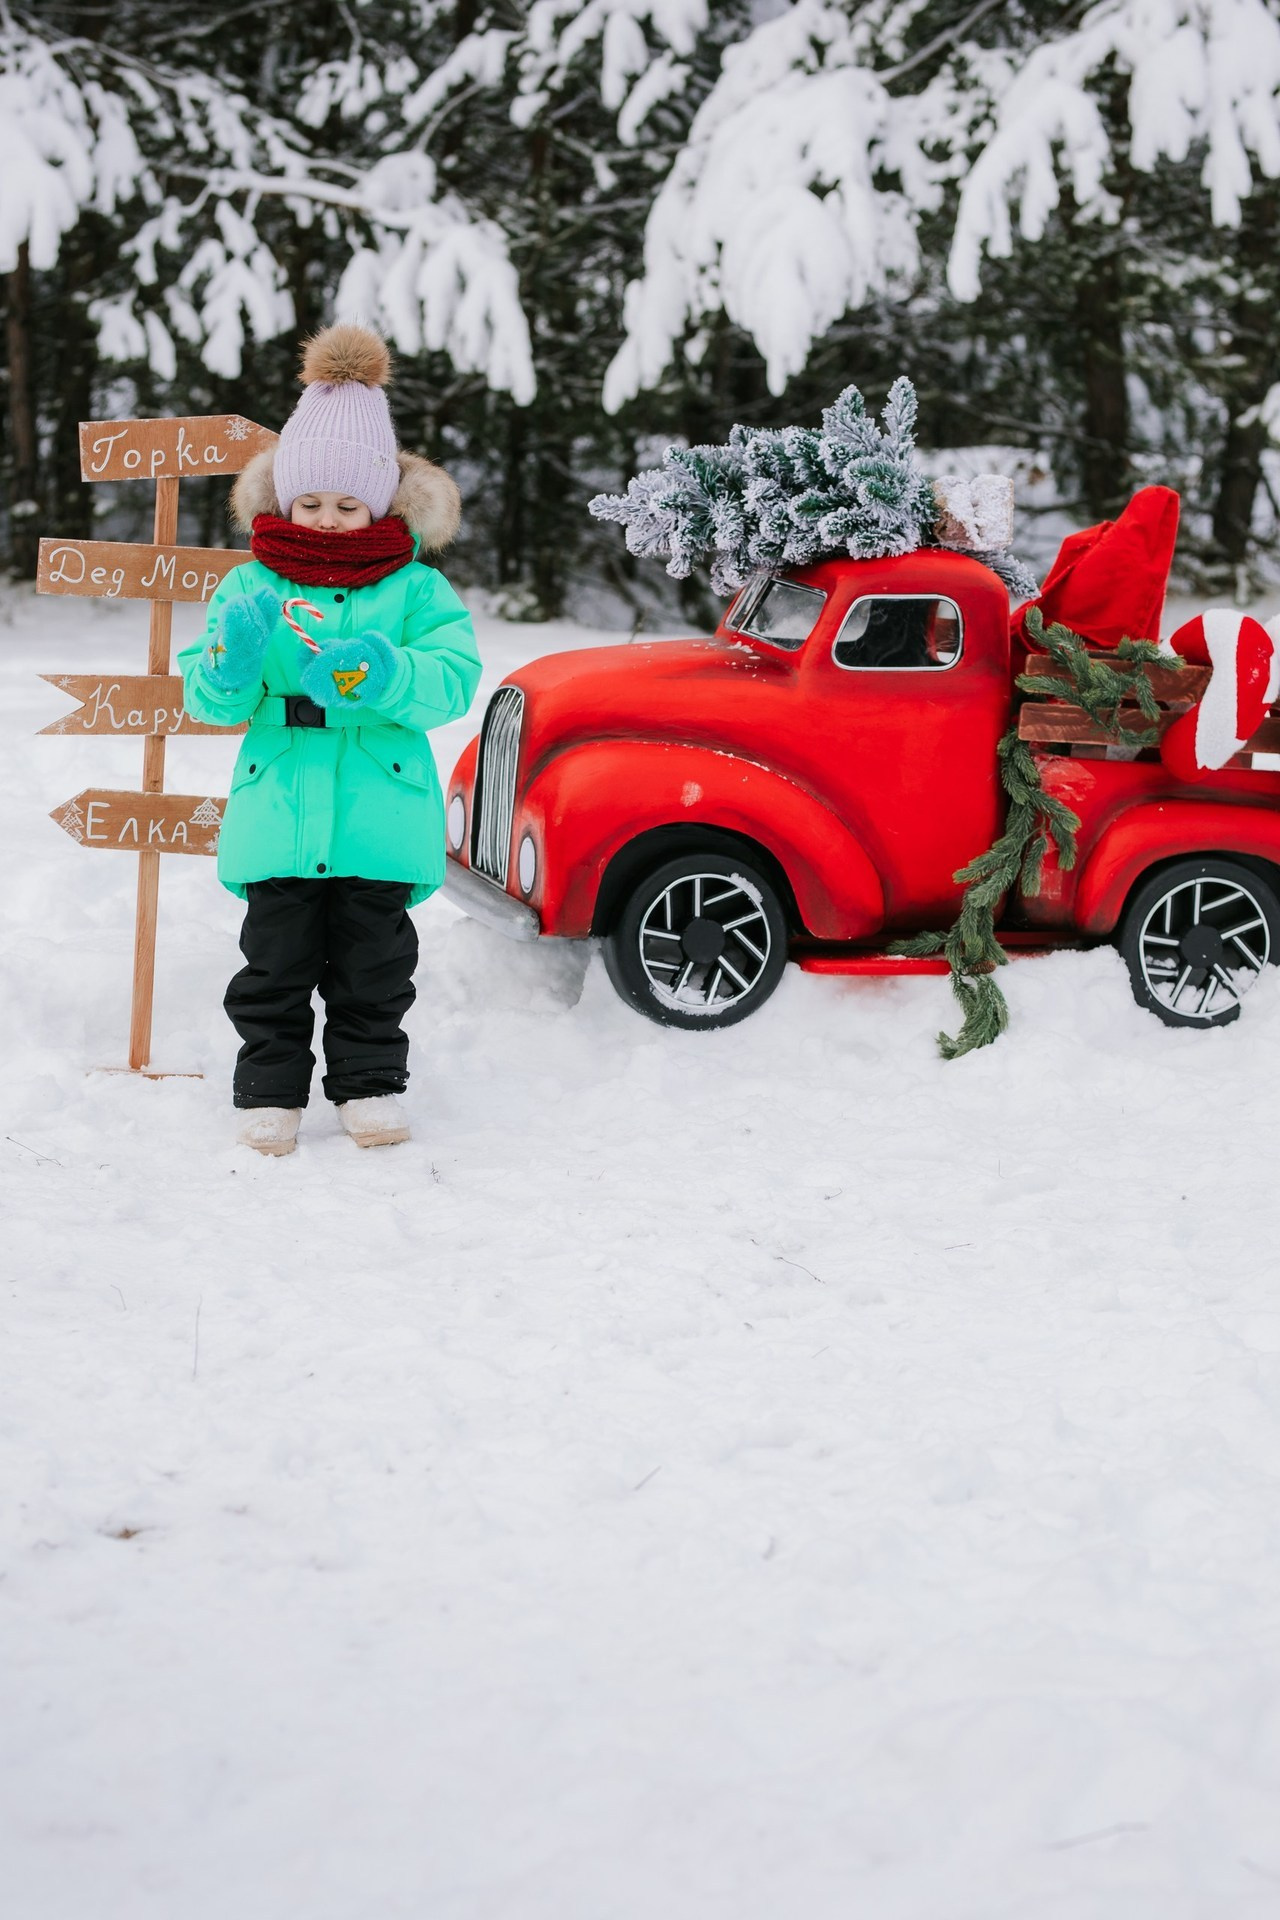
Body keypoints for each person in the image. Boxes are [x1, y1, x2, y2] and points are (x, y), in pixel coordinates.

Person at [179, 323, 482, 1156]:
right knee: (272, 965)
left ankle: (371, 1085)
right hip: (278, 805)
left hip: (380, 810)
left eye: (348, 506)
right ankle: (268, 1090)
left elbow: (453, 678)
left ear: (381, 502)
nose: (328, 521)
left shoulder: (417, 585)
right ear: (283, 498)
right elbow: (207, 697)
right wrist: (232, 659)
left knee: (374, 971)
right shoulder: (248, 582)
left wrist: (385, 673)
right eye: (311, 503)